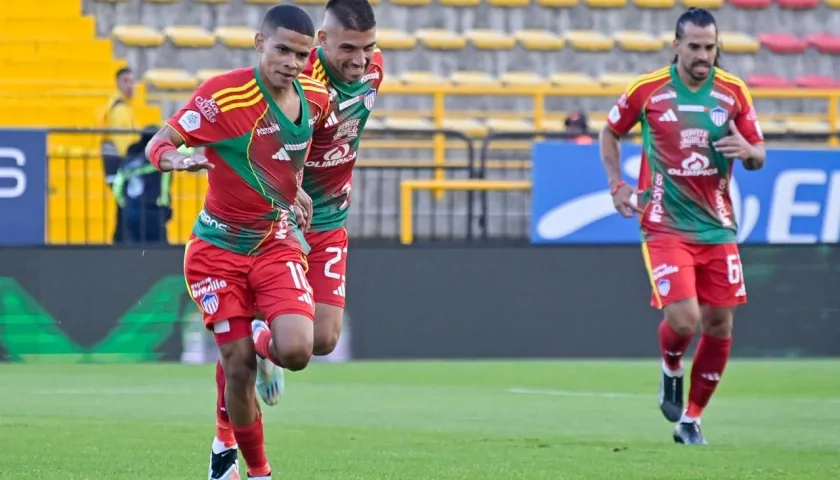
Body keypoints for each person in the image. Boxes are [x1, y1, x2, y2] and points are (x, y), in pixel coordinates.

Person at [144, 5, 330, 480]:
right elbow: (157, 145)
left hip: (273, 243)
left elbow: (279, 157)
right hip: (216, 254)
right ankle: (259, 472)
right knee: (238, 365)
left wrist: (295, 189)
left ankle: (267, 345)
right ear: (259, 44)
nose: (292, 62)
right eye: (282, 49)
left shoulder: (315, 95)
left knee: (296, 351)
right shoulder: (224, 96)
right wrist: (175, 162)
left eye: (302, 54)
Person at [598, 7, 765, 445]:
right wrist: (617, 184)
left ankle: (691, 419)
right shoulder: (648, 90)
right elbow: (610, 132)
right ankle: (671, 364)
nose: (703, 56)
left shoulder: (733, 92)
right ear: (676, 45)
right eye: (694, 47)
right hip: (664, 225)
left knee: (719, 325)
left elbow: (758, 155)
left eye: (710, 47)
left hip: (717, 227)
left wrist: (747, 149)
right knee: (686, 318)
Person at [251, 0, 384, 404]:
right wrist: (290, 182)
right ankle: (254, 346)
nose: (360, 60)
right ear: (322, 40)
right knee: (297, 346)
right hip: (284, 216)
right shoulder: (299, 79)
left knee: (323, 341)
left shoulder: (375, 70)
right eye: (348, 49)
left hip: (331, 217)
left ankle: (260, 342)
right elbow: (260, 139)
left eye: (368, 48)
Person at [112, 125, 175, 244]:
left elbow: (118, 185)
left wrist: (124, 203)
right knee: (158, 250)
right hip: (153, 210)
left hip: (130, 210)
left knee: (134, 248)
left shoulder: (130, 158)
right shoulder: (161, 159)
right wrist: (165, 206)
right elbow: (164, 187)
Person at [100, 67, 138, 243]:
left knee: (123, 208)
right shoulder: (119, 109)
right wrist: (133, 163)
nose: (131, 86)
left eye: (132, 81)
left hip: (115, 167)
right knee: (126, 207)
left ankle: (118, 241)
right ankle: (120, 242)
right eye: (126, 81)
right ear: (117, 83)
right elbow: (124, 143)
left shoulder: (120, 106)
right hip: (120, 167)